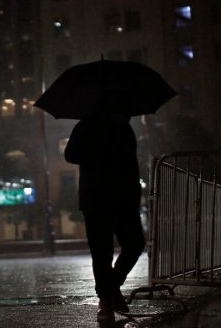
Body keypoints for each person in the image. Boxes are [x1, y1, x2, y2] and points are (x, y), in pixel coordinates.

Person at [64, 96, 146, 322]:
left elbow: (132, 164)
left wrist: (135, 194)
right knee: (102, 253)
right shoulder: (87, 125)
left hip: (121, 198)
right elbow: (70, 154)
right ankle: (106, 300)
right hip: (97, 198)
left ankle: (109, 291)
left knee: (134, 244)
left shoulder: (125, 129)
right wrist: (99, 152)